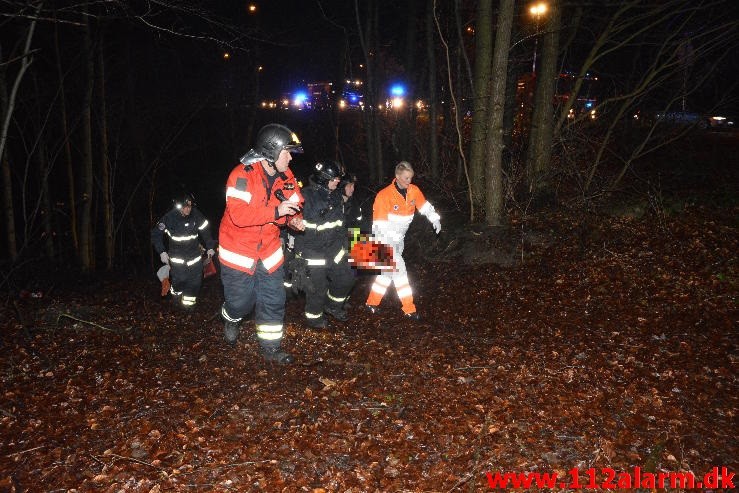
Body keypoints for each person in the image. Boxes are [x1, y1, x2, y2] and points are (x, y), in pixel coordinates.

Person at [218, 123, 305, 364]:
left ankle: (271, 348)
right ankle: (230, 317)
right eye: (287, 152)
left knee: (274, 300)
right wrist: (277, 211)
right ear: (271, 151)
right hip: (239, 252)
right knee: (241, 304)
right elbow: (239, 215)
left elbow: (295, 205)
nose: (290, 158)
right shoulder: (241, 176)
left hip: (269, 251)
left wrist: (294, 220)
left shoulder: (287, 178)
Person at [364, 161, 441, 320]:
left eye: (410, 178)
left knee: (386, 274)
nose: (409, 181)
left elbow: (424, 206)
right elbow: (378, 225)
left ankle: (371, 303)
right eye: (406, 178)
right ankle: (409, 309)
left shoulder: (414, 191)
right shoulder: (383, 195)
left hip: (400, 241)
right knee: (400, 270)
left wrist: (435, 219)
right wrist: (388, 244)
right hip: (383, 241)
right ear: (397, 177)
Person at [292, 161, 355, 328]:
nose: (338, 182)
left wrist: (345, 246)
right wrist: (299, 256)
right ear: (323, 179)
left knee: (347, 278)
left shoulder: (336, 196)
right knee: (317, 289)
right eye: (334, 179)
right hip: (313, 252)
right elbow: (293, 224)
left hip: (334, 247)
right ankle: (314, 319)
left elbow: (340, 225)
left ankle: (332, 306)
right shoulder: (304, 196)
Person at [151, 191, 216, 309]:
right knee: (180, 280)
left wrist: (210, 247)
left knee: (195, 283)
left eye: (190, 206)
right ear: (178, 206)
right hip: (177, 258)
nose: (188, 209)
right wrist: (162, 252)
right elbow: (156, 234)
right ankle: (175, 294)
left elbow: (205, 230)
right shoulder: (169, 218)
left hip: (195, 257)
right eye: (185, 207)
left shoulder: (196, 215)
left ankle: (188, 308)